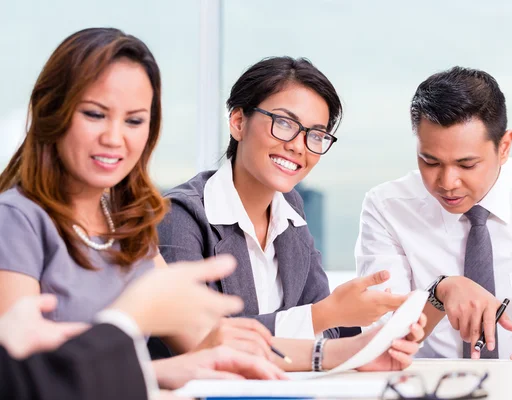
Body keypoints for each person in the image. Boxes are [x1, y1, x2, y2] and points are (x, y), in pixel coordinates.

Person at [0, 27, 424, 380]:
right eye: (95, 114)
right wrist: (134, 325)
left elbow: (213, 341)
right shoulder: (17, 220)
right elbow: (25, 376)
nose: (115, 138)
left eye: (134, 120)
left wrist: (355, 350)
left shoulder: (128, 224)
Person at [158, 56, 409, 349]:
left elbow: (328, 330)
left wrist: (376, 334)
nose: (297, 146)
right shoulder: (179, 215)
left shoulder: (290, 210)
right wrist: (324, 316)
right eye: (284, 123)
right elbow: (200, 338)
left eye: (315, 135)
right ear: (238, 123)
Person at [356, 66, 512, 361]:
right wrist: (439, 294)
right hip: (429, 385)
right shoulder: (387, 208)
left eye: (467, 164)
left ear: (505, 146)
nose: (447, 183)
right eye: (430, 162)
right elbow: (381, 337)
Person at [0, 256, 286, 400]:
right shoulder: (16, 216)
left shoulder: (133, 215)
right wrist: (127, 319)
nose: (114, 139)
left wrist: (153, 373)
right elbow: (32, 386)